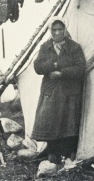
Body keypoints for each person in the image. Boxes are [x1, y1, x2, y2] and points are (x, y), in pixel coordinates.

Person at [31, 16, 86, 163]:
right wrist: (55, 65)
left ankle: (70, 152)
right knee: (50, 121)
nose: (57, 33)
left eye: (60, 29)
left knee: (69, 122)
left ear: (65, 29)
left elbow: (80, 68)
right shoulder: (45, 47)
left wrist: (62, 73)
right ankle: (53, 152)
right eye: (54, 30)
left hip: (70, 91)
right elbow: (38, 67)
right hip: (51, 91)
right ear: (50, 31)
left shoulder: (74, 47)